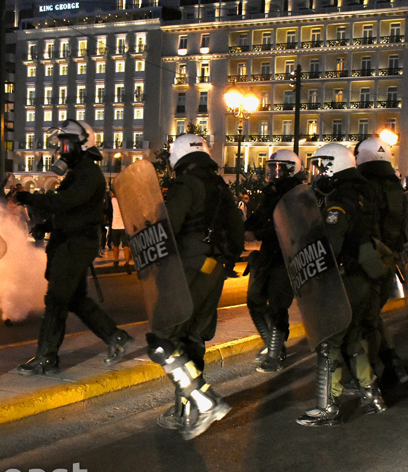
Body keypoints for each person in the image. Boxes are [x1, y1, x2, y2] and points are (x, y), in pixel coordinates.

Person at [13, 120, 134, 374]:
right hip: (71, 241)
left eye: (66, 144)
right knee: (76, 299)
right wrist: (46, 226)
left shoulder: (88, 174)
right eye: (61, 144)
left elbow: (66, 201)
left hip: (76, 244)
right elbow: (72, 210)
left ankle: (46, 357)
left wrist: (31, 197)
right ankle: (116, 337)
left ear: (82, 144)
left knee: (56, 300)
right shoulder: (78, 173)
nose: (62, 149)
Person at [146, 134, 237, 439]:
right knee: (192, 338)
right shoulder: (221, 187)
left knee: (163, 339)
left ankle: (205, 400)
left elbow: (166, 224)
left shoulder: (186, 185)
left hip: (187, 268)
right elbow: (237, 230)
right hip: (214, 268)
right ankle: (185, 411)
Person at [297, 143, 385, 427]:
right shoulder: (363, 191)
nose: (318, 172)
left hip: (344, 277)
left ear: (333, 165)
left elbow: (332, 242)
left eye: (321, 166)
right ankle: (372, 395)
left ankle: (328, 407)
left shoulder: (340, 200)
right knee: (353, 336)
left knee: (329, 340)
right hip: (362, 276)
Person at [353, 137, 408, 387]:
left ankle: (369, 378)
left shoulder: (363, 186)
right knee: (374, 315)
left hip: (369, 258)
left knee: (366, 320)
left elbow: (361, 224)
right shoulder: (397, 187)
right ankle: (393, 364)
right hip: (391, 258)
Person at [243, 149, 305, 373]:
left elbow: (286, 225)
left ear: (291, 169)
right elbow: (260, 215)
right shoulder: (271, 192)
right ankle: (273, 344)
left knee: (278, 304)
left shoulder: (297, 194)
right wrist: (243, 227)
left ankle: (274, 353)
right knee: (254, 299)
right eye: (272, 167)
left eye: (278, 168)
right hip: (269, 253)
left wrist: (257, 233)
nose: (273, 172)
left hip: (287, 254)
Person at [108, 186, 132, 274]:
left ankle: (116, 261)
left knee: (115, 245)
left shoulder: (113, 201)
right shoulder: (126, 201)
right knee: (126, 246)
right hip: (124, 227)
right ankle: (127, 263)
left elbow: (111, 197)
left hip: (115, 226)